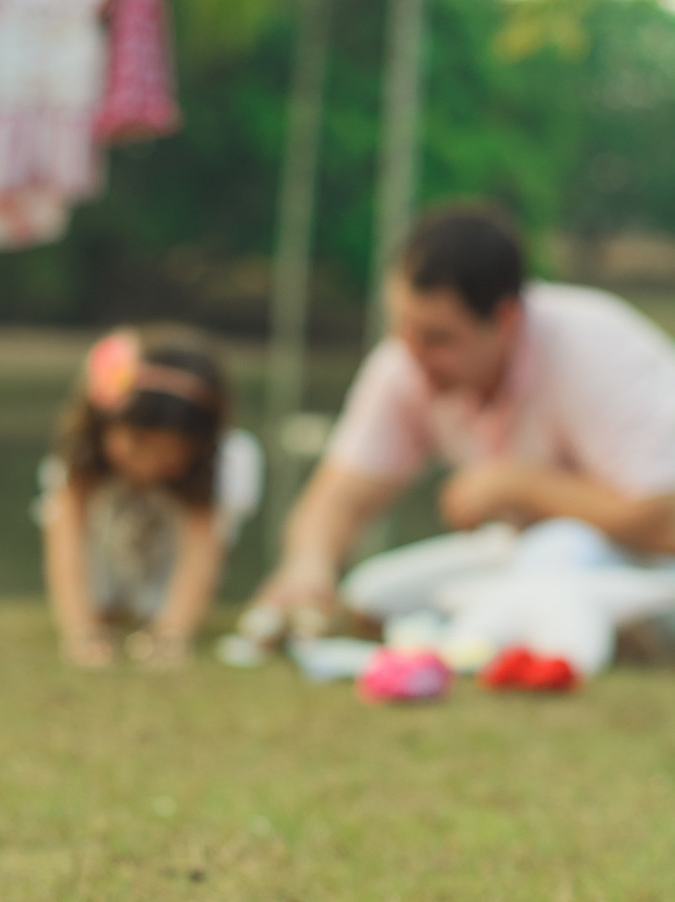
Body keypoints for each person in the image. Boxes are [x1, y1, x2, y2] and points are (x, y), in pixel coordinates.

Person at [250, 202, 675, 669]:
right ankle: (505, 636)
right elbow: (339, 496)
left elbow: (665, 522)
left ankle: (560, 641)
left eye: (437, 338)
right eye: (402, 328)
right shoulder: (408, 363)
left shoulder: (595, 350)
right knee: (372, 595)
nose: (414, 352)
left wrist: (519, 485)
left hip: (642, 568)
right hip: (522, 559)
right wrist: (309, 566)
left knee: (560, 546)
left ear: (505, 319)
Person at [41, 324, 262, 668]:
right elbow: (65, 539)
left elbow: (201, 550)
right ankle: (104, 606)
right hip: (104, 566)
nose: (147, 463)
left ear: (198, 445)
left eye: (168, 451)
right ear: (102, 422)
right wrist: (82, 632)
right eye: (138, 443)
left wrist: (171, 634)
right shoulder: (82, 456)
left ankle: (156, 611)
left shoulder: (221, 466)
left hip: (167, 574)